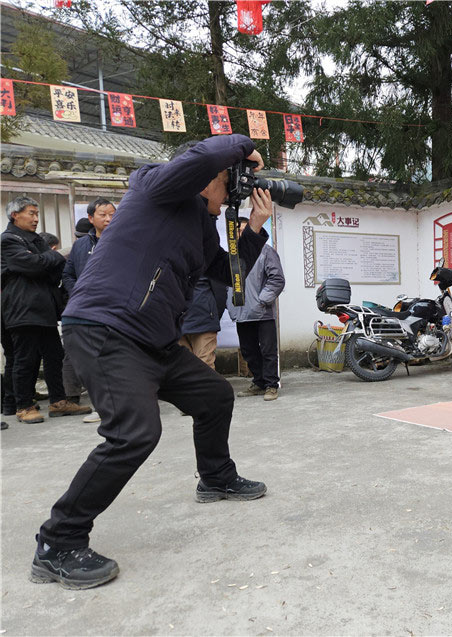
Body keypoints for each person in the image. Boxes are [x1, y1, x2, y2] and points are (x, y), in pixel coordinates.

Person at [31, 134, 274, 590]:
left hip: (153, 340)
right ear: (209, 177)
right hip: (105, 328)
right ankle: (57, 543)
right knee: (134, 432)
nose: (234, 191)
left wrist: (255, 229)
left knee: (215, 396)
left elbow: (225, 272)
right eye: (232, 181)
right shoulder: (155, 186)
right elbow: (200, 155)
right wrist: (244, 147)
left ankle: (216, 479)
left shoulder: (200, 224)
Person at [1, 197, 91, 424]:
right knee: (25, 358)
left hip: (45, 308)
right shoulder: (8, 240)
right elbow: (33, 266)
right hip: (22, 308)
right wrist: (47, 259)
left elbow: (53, 269)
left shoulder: (35, 240)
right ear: (15, 215)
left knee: (54, 356)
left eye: (37, 214)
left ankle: (58, 401)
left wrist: (44, 260)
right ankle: (23, 405)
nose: (35, 219)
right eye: (31, 213)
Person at [61, 198, 116, 420]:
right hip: (86, 311)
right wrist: (79, 294)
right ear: (91, 218)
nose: (109, 218)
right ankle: (101, 407)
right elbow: (68, 274)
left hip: (115, 309)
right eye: (103, 214)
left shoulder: (124, 240)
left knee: (115, 356)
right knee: (91, 360)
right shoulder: (81, 246)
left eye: (112, 213)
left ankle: (120, 405)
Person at [228, 216, 285, 401]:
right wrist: (230, 305)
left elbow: (277, 279)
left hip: (262, 312)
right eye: (237, 230)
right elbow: (225, 283)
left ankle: (271, 385)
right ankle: (259, 382)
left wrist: (262, 300)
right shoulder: (231, 255)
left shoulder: (266, 251)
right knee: (248, 351)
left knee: (268, 350)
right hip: (241, 312)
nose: (240, 233)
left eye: (244, 229)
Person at [179, 274, 228, 369]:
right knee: (205, 365)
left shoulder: (173, 264)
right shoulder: (207, 263)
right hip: (204, 319)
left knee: (185, 366)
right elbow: (220, 293)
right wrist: (214, 315)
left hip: (180, 320)